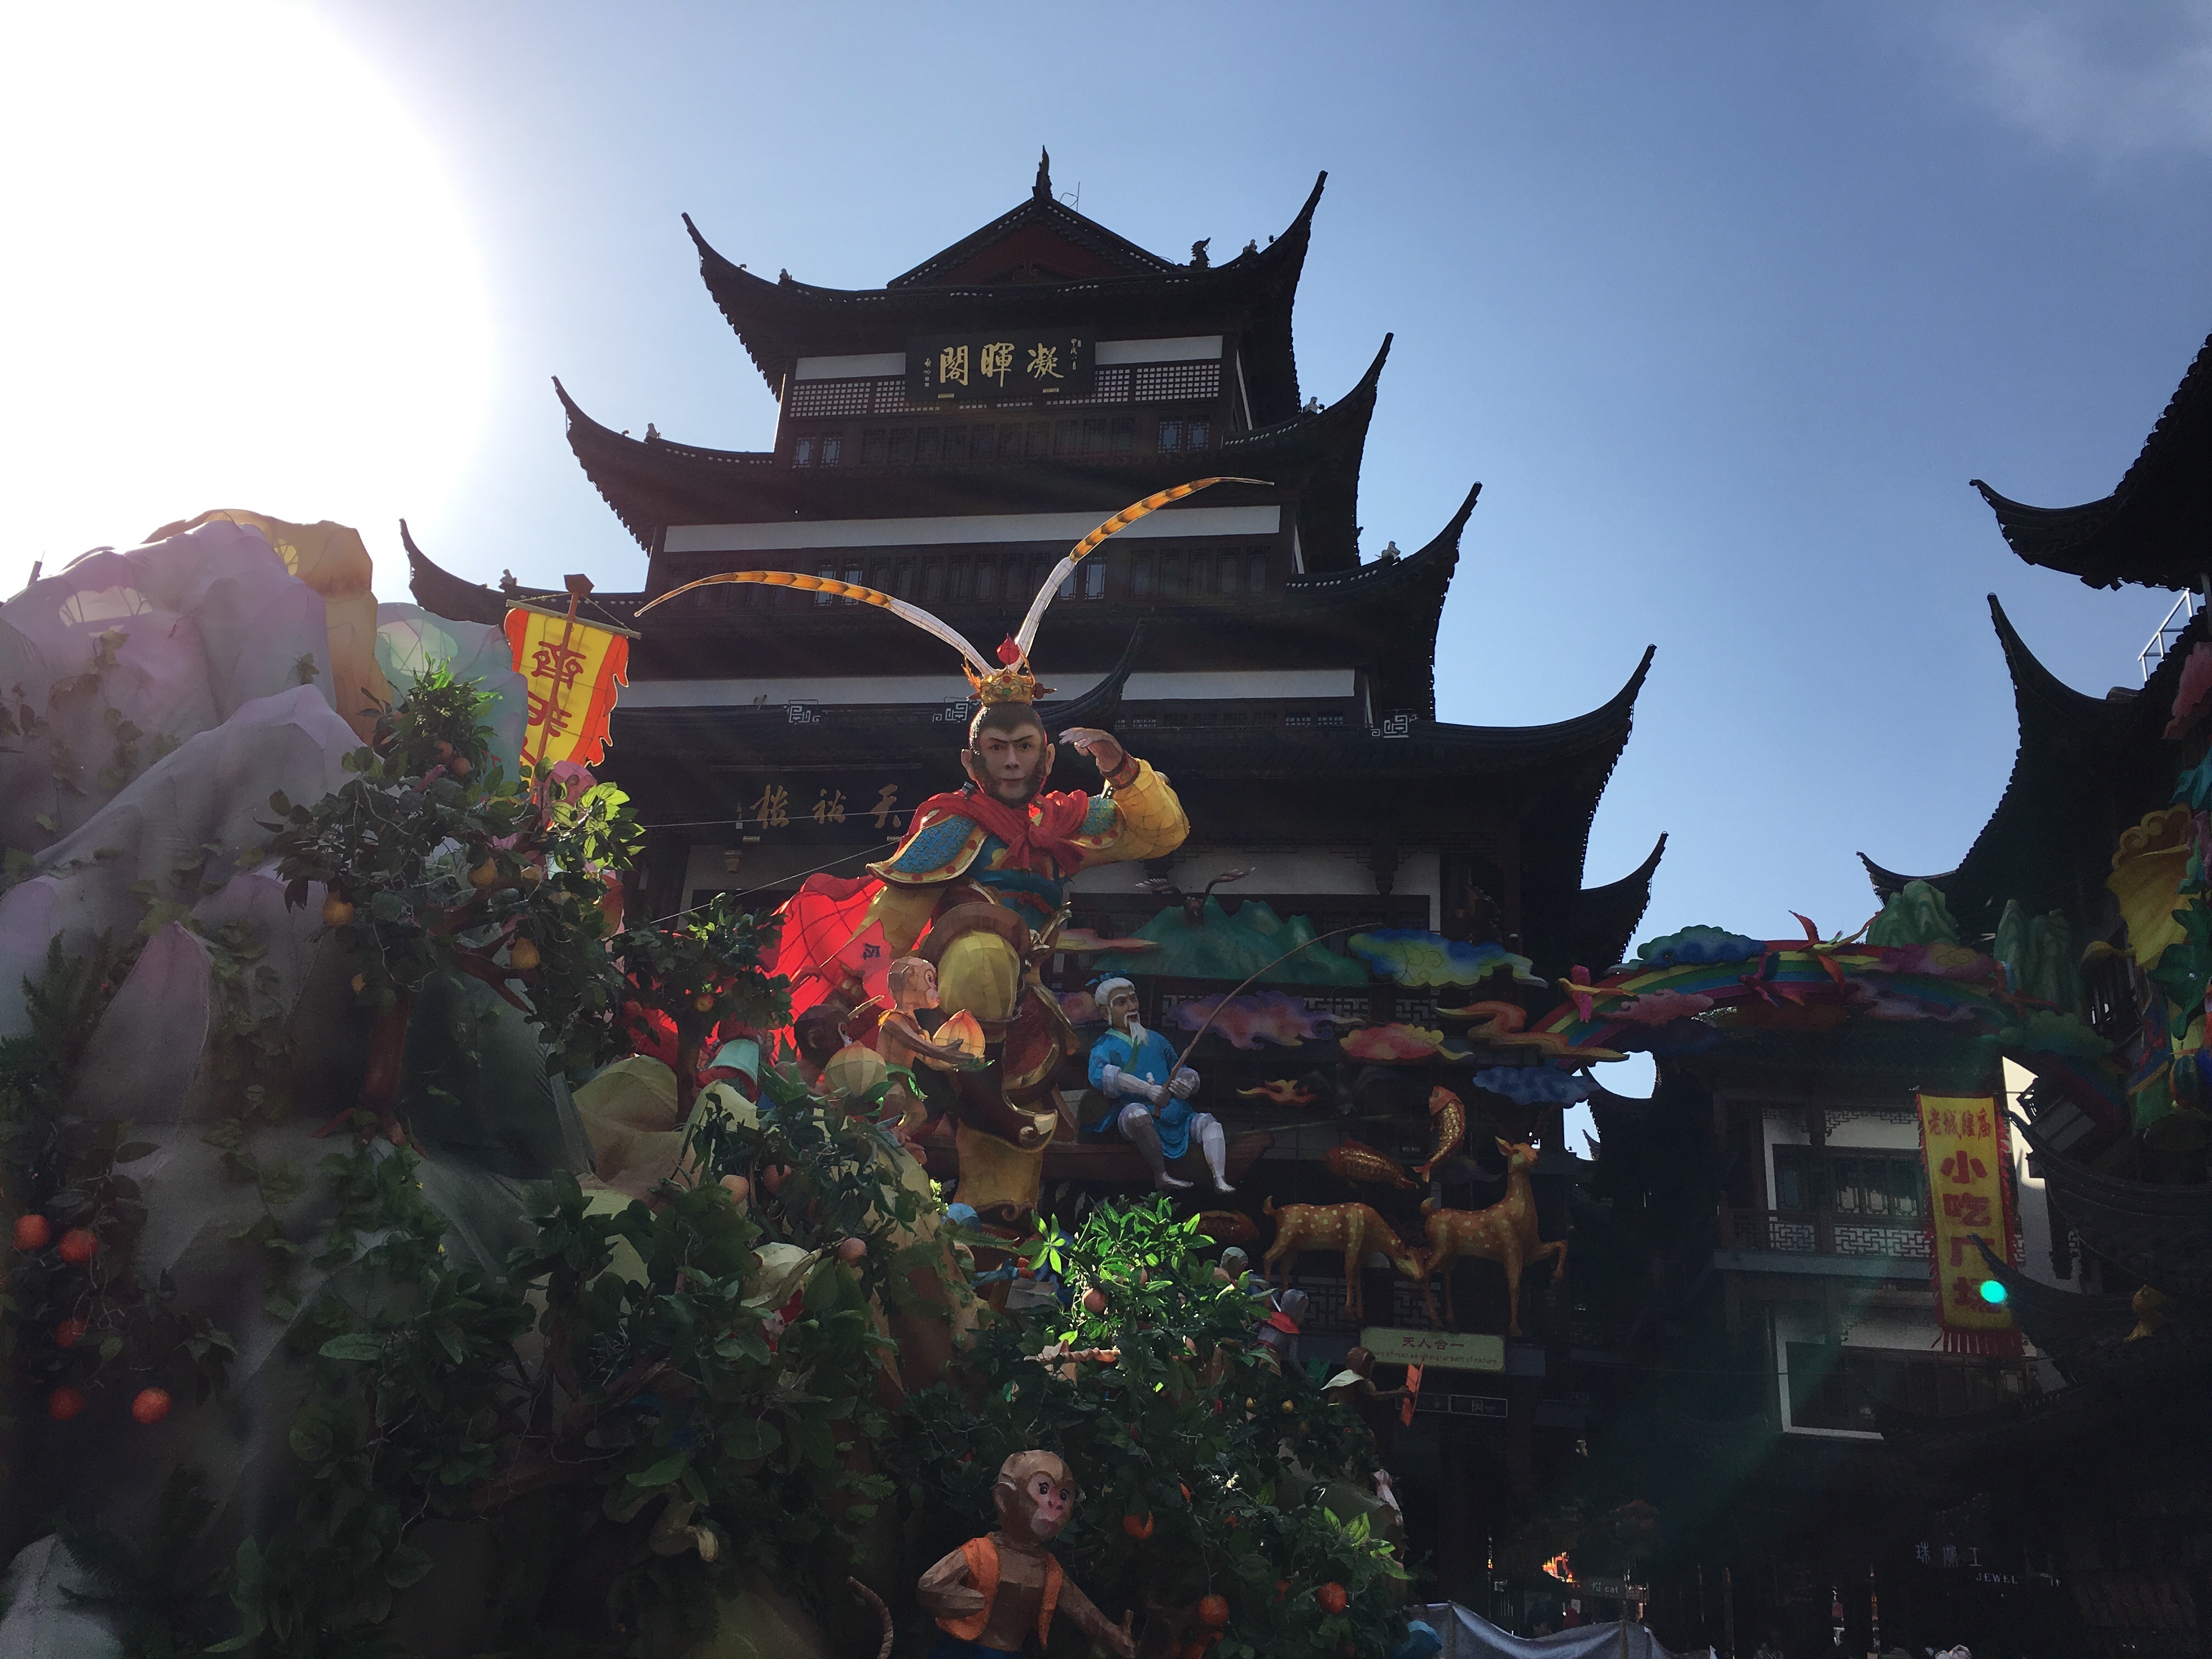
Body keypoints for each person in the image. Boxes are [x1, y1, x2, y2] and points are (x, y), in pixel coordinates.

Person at [916, 1450, 1133, 1658]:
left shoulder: (1049, 1569)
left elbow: (1081, 1609)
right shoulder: (981, 1551)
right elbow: (931, 1585)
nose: (1055, 1503)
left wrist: (1113, 1635)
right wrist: (960, 1600)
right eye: (1044, 1489)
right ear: (1004, 1497)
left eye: (1064, 1495)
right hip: (966, 1652)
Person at [1086, 977, 1232, 1193]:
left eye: (1133, 999)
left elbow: (1179, 1067)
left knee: (1209, 1124)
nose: (1132, 1007)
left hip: (1176, 1112)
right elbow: (1101, 1076)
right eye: (1122, 1003)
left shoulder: (1156, 1039)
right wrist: (1146, 1090)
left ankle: (1219, 1179)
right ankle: (1161, 1175)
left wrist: (1187, 1082)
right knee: (1136, 1116)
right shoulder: (1104, 1046)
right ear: (1104, 1013)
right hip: (1138, 1112)